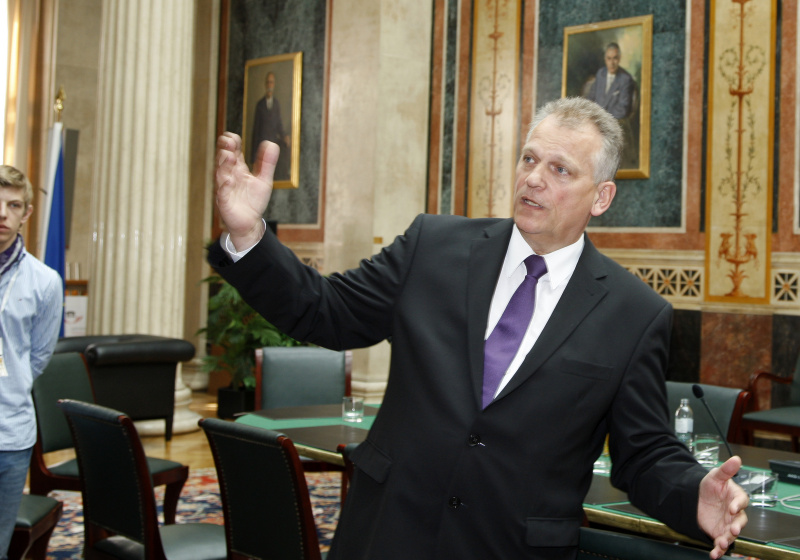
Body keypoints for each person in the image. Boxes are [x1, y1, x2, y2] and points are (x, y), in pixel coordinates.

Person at [209, 97, 748, 560]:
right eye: (529, 158)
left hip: (508, 545)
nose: (533, 178)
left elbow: (644, 452)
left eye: (560, 170)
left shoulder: (634, 313)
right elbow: (323, 309)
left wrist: (691, 492)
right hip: (387, 531)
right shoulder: (433, 247)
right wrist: (249, 234)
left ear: (601, 197)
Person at [0, 165, 63, 560]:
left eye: (13, 205)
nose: (2, 214)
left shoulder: (45, 282)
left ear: (26, 213)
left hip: (9, 433)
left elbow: (38, 356)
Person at [249, 71, 291, 180]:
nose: (269, 86)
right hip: (262, 147)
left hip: (273, 143)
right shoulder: (260, 105)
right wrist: (253, 159)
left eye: (271, 83)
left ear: (274, 85)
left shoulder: (276, 104)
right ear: (265, 85)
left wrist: (284, 135)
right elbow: (255, 131)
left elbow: (279, 124)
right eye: (267, 83)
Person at [585, 42, 635, 120]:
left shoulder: (625, 79)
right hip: (596, 120)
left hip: (615, 122)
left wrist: (603, 118)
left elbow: (622, 109)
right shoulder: (600, 73)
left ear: (619, 59)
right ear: (605, 60)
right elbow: (590, 99)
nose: (612, 63)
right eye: (609, 58)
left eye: (615, 58)